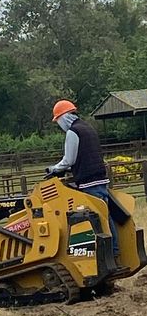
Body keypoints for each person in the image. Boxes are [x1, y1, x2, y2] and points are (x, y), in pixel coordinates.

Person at [48, 99, 120, 259]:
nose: (59, 124)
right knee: (105, 215)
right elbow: (84, 155)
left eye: (58, 120)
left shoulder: (73, 132)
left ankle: (104, 256)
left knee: (94, 219)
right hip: (100, 178)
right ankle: (115, 252)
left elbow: (69, 159)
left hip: (89, 181)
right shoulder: (88, 128)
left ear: (64, 117)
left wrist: (54, 169)